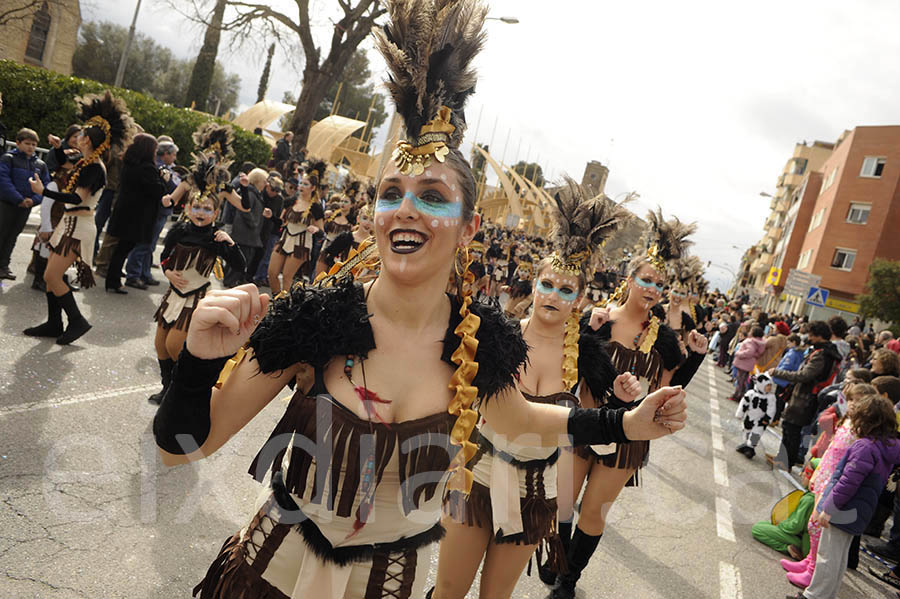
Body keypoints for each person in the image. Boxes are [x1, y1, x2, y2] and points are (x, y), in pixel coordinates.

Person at [153, 3, 688, 597]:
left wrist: (624, 421)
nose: (406, 208)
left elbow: (523, 419)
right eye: (391, 193)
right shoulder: (314, 319)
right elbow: (183, 451)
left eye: (432, 195)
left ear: (469, 226)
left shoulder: (482, 340)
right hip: (272, 577)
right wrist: (197, 365)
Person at [435, 179, 635, 599]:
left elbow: (596, 435)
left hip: (534, 493)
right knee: (449, 589)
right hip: (475, 478)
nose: (554, 296)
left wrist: (621, 399)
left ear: (579, 299)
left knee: (497, 596)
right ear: (534, 284)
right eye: (547, 285)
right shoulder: (498, 334)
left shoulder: (587, 357)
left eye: (566, 290)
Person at [551, 207, 705, 599]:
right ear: (630, 278)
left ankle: (569, 581)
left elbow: (669, 389)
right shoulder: (599, 320)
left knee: (595, 511)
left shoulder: (666, 340)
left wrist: (696, 358)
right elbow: (568, 369)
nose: (652, 288)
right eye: (646, 279)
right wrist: (587, 330)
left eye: (659, 283)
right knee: (562, 503)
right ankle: (558, 559)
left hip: (628, 438)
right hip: (585, 423)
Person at [24, 91, 135, 345]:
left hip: (79, 228)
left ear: (89, 141)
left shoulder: (95, 167)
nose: (78, 137)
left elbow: (76, 198)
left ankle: (77, 321)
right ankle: (54, 323)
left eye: (82, 135)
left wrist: (44, 191)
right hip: (68, 225)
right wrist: (56, 147)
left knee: (51, 277)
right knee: (53, 278)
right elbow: (63, 159)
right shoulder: (85, 162)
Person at [148, 154, 245, 405]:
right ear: (188, 208)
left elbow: (239, 266)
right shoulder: (179, 230)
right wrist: (168, 272)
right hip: (173, 295)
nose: (201, 213)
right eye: (197, 208)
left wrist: (231, 245)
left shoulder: (216, 237)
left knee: (173, 346)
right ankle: (167, 388)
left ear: (215, 212)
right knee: (160, 345)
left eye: (207, 209)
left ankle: (180, 392)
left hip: (196, 297)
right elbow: (165, 257)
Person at [791, 394, 900, 599]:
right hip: (859, 510)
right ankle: (827, 594)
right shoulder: (887, 447)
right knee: (838, 557)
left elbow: (847, 483)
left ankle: (814, 595)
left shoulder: (865, 447)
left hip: (842, 509)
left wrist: (828, 509)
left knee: (828, 556)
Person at [771, 321, 841, 470]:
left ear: (819, 336)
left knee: (792, 428)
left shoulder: (822, 354)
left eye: (811, 335)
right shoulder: (827, 352)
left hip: (805, 397)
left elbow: (805, 375)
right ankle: (782, 458)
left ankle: (785, 460)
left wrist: (777, 372)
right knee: (790, 427)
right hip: (807, 396)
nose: (809, 337)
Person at [104, 133, 168, 294]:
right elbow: (157, 191)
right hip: (137, 216)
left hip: (126, 211)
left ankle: (114, 278)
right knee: (124, 248)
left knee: (121, 247)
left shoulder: (129, 163)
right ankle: (113, 281)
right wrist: (163, 179)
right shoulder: (147, 168)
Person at [124, 137, 179, 289]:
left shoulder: (165, 167)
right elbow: (170, 188)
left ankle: (144, 273)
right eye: (173, 154)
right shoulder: (158, 167)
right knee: (144, 243)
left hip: (160, 211)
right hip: (156, 210)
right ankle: (134, 274)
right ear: (165, 154)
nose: (174, 158)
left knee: (150, 245)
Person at [266, 161, 325, 295]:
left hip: (301, 245)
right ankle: (278, 299)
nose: (301, 186)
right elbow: (281, 223)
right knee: (272, 273)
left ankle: (283, 308)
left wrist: (316, 230)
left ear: (313, 188)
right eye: (300, 183)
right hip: (284, 240)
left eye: (305, 184)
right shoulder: (290, 201)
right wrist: (271, 217)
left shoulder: (316, 207)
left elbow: (322, 232)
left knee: (287, 277)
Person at [0, 127, 50, 280]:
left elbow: (45, 186)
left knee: (13, 236)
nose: (31, 147)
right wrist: (18, 199)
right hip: (7, 204)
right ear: (18, 143)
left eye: (34, 144)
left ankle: (4, 265)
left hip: (25, 207)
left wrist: (33, 200)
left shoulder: (40, 164)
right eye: (27, 143)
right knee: (1, 234)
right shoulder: (8, 158)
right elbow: (3, 180)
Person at [735, 373, 777, 459]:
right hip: (750, 416)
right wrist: (740, 413)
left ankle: (750, 448)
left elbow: (771, 409)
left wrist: (767, 419)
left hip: (760, 420)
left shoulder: (771, 397)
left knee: (756, 433)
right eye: (767, 385)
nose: (769, 387)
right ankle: (746, 445)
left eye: (770, 385)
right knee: (747, 430)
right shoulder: (751, 393)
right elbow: (744, 403)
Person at [731, 326, 766, 401]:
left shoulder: (751, 341)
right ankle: (740, 395)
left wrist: (739, 353)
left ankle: (738, 395)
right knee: (743, 380)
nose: (749, 332)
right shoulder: (759, 343)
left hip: (743, 363)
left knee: (740, 380)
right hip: (749, 364)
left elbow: (750, 351)